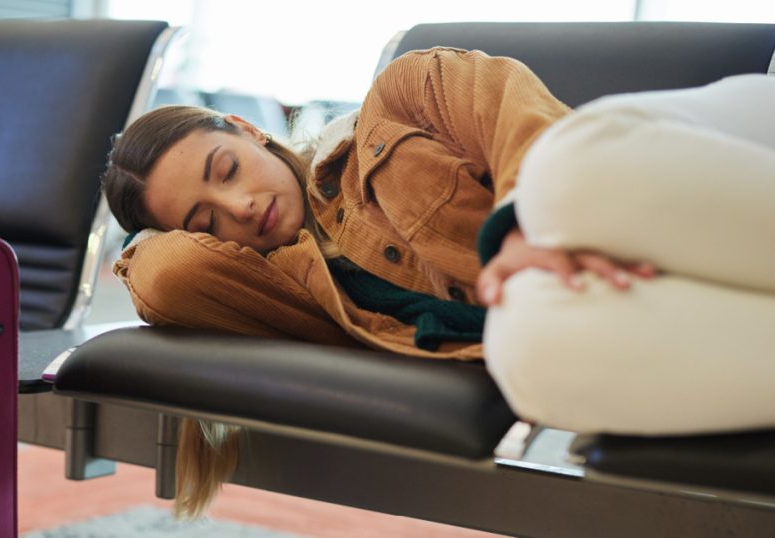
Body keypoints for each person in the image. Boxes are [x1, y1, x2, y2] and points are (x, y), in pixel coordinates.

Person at [102, 47, 775, 517]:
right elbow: (169, 276)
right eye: (205, 222)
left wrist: (519, 227)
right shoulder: (294, 292)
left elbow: (514, 112)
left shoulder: (391, 104)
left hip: (670, 168)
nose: (240, 209)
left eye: (226, 170)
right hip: (606, 290)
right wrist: (148, 240)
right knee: (532, 360)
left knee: (567, 176)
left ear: (248, 130)